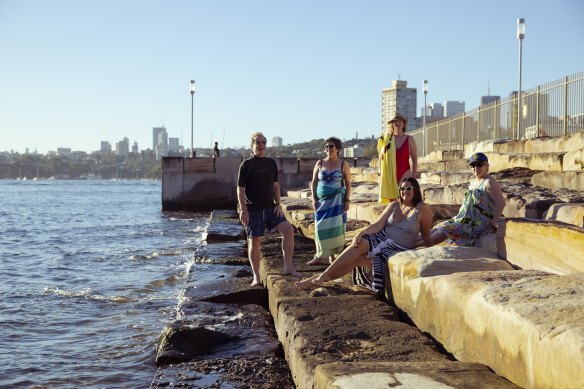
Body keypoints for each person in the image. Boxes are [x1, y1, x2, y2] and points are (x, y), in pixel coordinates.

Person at [296, 177, 433, 295]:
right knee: (358, 243)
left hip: (397, 248)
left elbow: (427, 235)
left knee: (357, 261)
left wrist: (432, 250)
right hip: (381, 237)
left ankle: (316, 279)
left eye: (408, 188)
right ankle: (322, 278)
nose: (405, 192)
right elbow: (378, 225)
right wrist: (361, 233)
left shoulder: (422, 209)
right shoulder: (394, 205)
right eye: (402, 189)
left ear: (415, 190)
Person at [237, 132, 299, 286]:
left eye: (263, 142)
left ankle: (288, 267)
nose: (261, 145)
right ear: (252, 145)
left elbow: (276, 186)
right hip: (253, 210)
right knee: (254, 242)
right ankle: (256, 277)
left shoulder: (271, 163)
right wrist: (243, 209)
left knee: (288, 230)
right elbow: (240, 189)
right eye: (257, 142)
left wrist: (278, 204)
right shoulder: (246, 165)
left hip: (271, 208)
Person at [431, 152, 505, 246]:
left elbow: (501, 203)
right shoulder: (473, 182)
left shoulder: (489, 181)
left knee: (445, 229)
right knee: (439, 226)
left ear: (486, 166)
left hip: (478, 224)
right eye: (473, 165)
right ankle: (410, 243)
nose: (476, 168)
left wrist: (492, 225)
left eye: (479, 164)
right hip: (467, 220)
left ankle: (414, 245)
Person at [306, 137, 352, 266]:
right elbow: (314, 182)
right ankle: (319, 255)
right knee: (320, 227)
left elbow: (348, 184)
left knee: (335, 228)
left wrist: (347, 200)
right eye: (326, 146)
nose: (328, 149)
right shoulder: (320, 163)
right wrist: (314, 199)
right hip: (321, 201)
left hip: (337, 201)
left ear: (337, 148)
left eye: (331, 146)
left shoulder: (343, 164)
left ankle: (332, 257)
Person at [378, 113, 418, 204]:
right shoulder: (387, 140)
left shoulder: (410, 139)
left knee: (406, 201)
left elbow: (414, 159)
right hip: (389, 175)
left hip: (405, 173)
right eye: (395, 121)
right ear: (392, 124)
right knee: (393, 204)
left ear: (403, 123)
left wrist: (414, 177)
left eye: (400, 121)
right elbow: (380, 158)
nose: (398, 123)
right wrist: (380, 174)